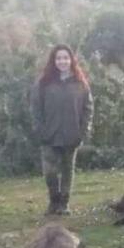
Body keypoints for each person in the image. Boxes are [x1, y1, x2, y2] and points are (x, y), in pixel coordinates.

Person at [30, 44, 93, 216]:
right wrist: (40, 130)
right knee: (50, 172)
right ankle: (53, 202)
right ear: (53, 60)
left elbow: (88, 109)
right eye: (59, 58)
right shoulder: (43, 84)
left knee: (67, 171)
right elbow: (36, 109)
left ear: (71, 60)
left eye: (65, 58)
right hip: (49, 136)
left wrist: (83, 132)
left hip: (71, 135)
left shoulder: (81, 84)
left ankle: (64, 204)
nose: (62, 61)